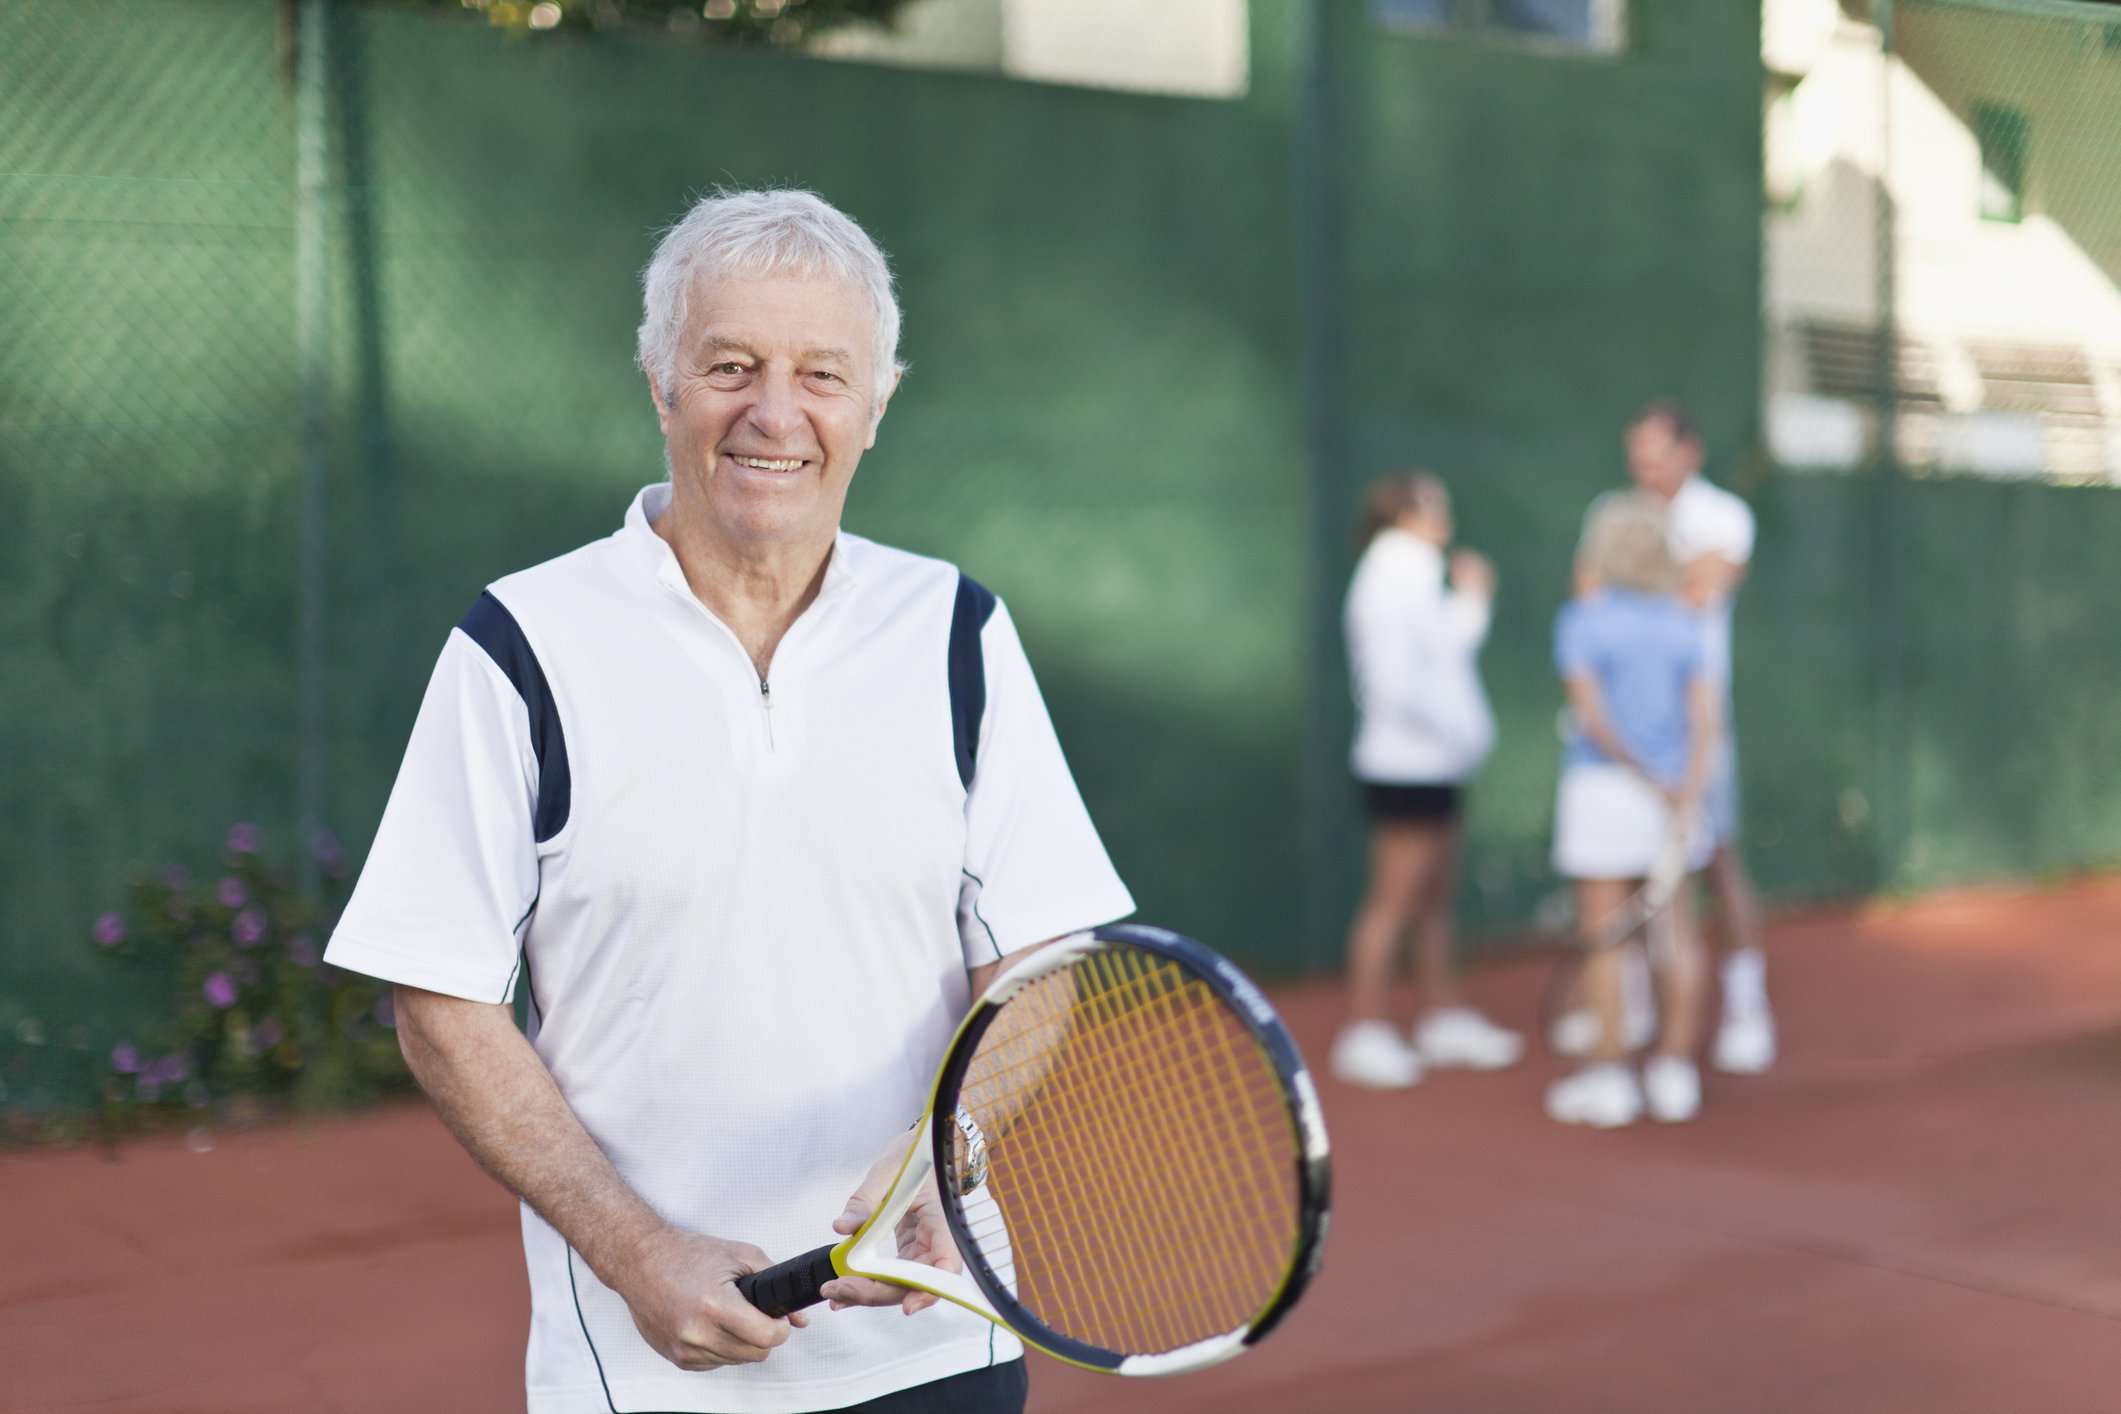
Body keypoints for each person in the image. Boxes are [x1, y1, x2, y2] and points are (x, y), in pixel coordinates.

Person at [323, 190, 1133, 1414]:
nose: (775, 413)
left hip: (940, 1348)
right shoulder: (521, 643)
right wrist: (633, 1250)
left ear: (877, 403)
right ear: (659, 381)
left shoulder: (958, 630)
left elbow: (1038, 955)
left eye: (822, 373)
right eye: (731, 365)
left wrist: (943, 1153)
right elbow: (441, 1002)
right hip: (650, 1372)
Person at [1331, 473, 1524, 1089]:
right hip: (1405, 767)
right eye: (1435, 501)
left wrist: (1473, 598)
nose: (1446, 511)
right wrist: (1459, 733)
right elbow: (1395, 685)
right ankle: (1364, 1031)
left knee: (1434, 900)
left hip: (1437, 765)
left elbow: (1445, 652)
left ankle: (1441, 1019)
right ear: (1406, 512)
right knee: (1391, 904)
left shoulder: (1417, 573)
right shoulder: (1391, 578)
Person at [1545, 493, 1717, 1128]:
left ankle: (1611, 1079)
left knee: (1606, 942)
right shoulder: (1684, 624)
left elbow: (1593, 715)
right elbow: (1705, 721)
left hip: (1605, 793)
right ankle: (1674, 1074)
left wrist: (1651, 779)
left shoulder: (1582, 620)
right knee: (1677, 936)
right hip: (1669, 796)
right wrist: (1685, 792)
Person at [1624, 401, 1773, 1075]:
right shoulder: (1621, 511)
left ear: (1691, 452)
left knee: (1716, 862)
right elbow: (1591, 587)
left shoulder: (1724, 516)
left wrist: (1637, 574)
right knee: (1625, 867)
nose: (1644, 469)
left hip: (1699, 726)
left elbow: (1695, 588)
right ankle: (1630, 1004)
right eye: (1637, 457)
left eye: (1656, 455)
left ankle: (1746, 1009)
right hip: (1629, 728)